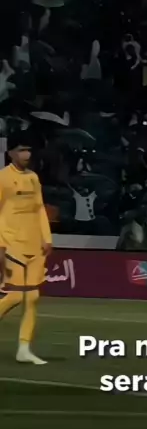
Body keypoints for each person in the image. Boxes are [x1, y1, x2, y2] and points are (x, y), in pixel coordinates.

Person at [0, 133, 52, 364]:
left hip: (34, 244)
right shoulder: (3, 178)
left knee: (32, 298)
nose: (26, 154)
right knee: (14, 297)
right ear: (10, 153)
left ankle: (24, 349)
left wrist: (46, 238)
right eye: (21, 150)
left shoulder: (33, 177)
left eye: (28, 150)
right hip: (12, 243)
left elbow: (39, 208)